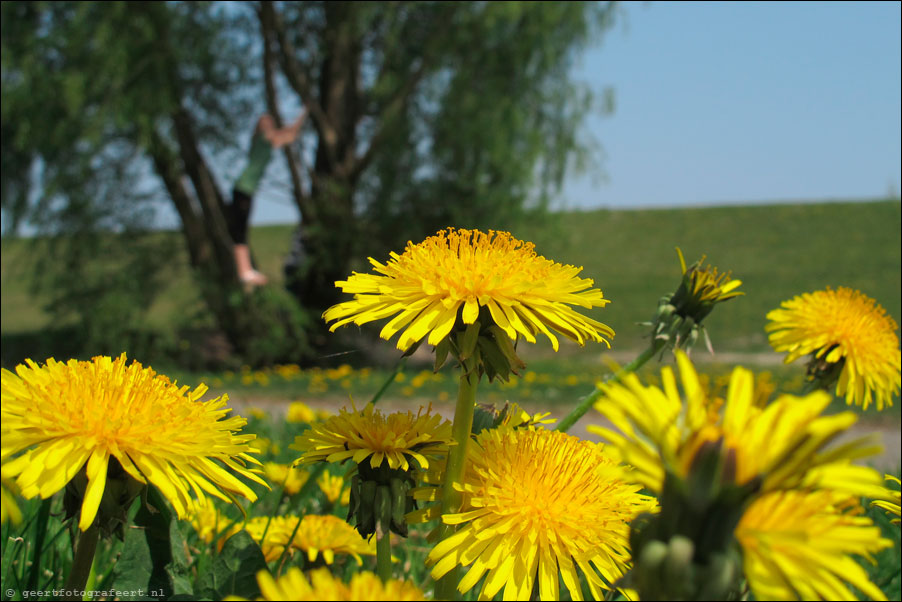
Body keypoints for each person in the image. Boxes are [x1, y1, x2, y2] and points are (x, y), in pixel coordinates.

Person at [229, 111, 306, 286]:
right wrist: (302, 114)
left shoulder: (262, 140)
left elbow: (288, 136)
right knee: (239, 231)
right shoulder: (265, 137)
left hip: (244, 189)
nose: (269, 124)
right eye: (267, 122)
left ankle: (245, 271)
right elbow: (290, 134)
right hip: (244, 188)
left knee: (240, 230)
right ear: (262, 126)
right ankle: (245, 272)